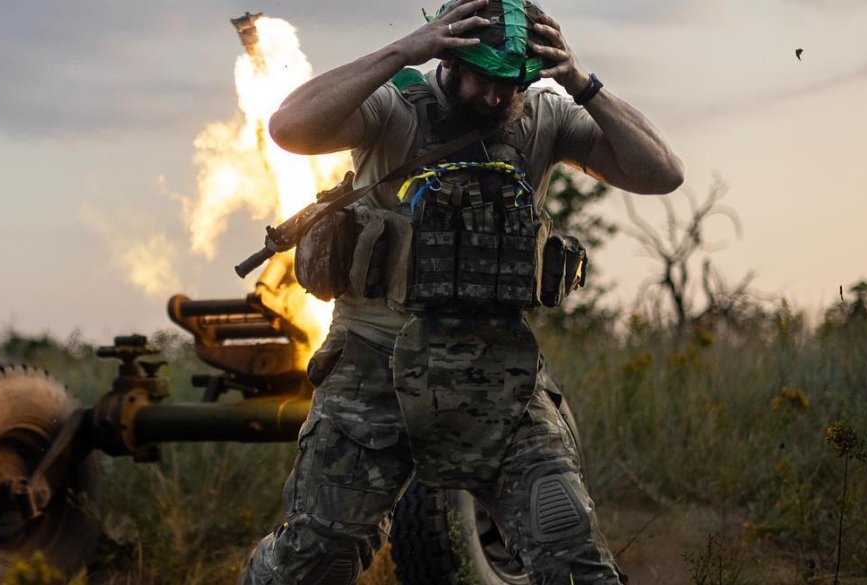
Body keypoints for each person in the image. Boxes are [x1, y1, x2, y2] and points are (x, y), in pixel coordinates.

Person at [239, 0, 683, 583]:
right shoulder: (393, 106)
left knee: (571, 556)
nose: (498, 98)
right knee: (315, 559)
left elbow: (662, 173)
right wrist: (404, 50)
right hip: (375, 366)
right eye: (484, 80)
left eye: (511, 83)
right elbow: (289, 128)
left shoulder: (545, 118)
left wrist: (581, 82)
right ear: (448, 59)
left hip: (497, 375)